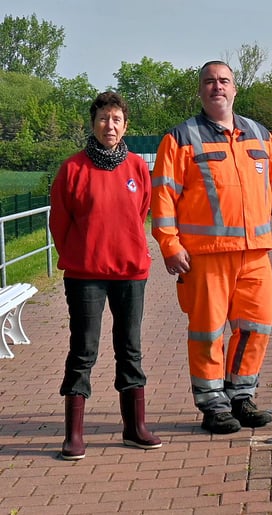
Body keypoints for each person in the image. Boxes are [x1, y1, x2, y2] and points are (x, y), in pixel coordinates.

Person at [151, 60, 272, 434]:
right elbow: (163, 196)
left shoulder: (260, 136)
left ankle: (240, 397)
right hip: (206, 256)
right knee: (208, 333)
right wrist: (169, 244)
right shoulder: (180, 139)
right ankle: (213, 405)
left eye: (224, 81)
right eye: (210, 81)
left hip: (255, 254)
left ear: (234, 88)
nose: (217, 87)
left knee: (256, 328)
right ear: (200, 90)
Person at [49, 91, 162, 460]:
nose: (109, 125)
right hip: (85, 276)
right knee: (83, 349)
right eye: (103, 118)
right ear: (93, 123)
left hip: (130, 272)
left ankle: (134, 427)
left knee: (130, 348)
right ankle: (74, 434)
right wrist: (80, 255)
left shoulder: (138, 168)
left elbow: (140, 212)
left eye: (116, 119)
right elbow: (60, 222)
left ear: (125, 126)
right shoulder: (73, 169)